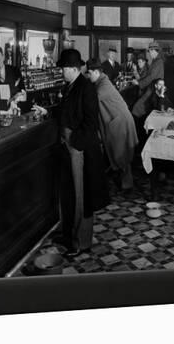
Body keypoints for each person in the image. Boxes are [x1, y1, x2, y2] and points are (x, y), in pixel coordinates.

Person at [35, 49, 110, 256]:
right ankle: (68, 234)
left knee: (80, 197)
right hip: (68, 147)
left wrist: (75, 143)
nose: (61, 72)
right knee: (68, 194)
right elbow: (64, 110)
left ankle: (80, 243)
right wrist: (47, 111)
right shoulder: (71, 86)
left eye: (63, 68)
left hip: (79, 149)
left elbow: (91, 121)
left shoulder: (86, 88)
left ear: (72, 69)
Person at [87, 61, 139, 191]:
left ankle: (127, 186)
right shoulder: (102, 81)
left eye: (89, 73)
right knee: (121, 153)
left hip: (120, 122)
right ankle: (124, 182)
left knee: (122, 154)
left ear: (97, 72)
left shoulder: (103, 85)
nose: (88, 76)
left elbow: (91, 101)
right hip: (119, 120)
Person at [131, 41, 165, 118]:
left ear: (154, 51)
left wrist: (139, 83)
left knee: (137, 107)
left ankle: (138, 127)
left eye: (150, 51)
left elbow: (151, 77)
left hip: (154, 89)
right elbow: (148, 76)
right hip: (152, 88)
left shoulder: (158, 61)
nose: (149, 53)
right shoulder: (155, 61)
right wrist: (139, 81)